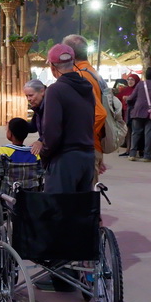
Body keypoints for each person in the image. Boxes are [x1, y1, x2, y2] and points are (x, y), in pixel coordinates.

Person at [40, 43, 97, 194]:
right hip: (87, 157)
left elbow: (52, 130)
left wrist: (44, 155)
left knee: (58, 206)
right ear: (73, 63)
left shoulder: (55, 90)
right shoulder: (87, 87)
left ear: (52, 67)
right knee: (81, 206)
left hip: (65, 158)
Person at [62, 34, 110, 174]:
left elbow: (100, 114)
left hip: (86, 147)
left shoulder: (81, 76)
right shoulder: (91, 72)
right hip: (91, 145)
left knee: (83, 188)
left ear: (69, 54)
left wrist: (78, 138)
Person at [116, 73, 140, 157]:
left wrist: (129, 98)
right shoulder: (125, 89)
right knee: (128, 131)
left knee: (135, 132)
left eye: (132, 79)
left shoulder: (138, 89)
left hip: (135, 113)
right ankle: (128, 149)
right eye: (128, 79)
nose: (130, 81)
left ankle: (135, 150)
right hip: (126, 113)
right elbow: (117, 98)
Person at [21, 78, 47, 157]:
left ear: (42, 91)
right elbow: (33, 127)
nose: (28, 99)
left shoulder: (51, 106)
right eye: (26, 96)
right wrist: (16, 124)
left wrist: (41, 141)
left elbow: (55, 129)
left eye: (31, 95)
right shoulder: (38, 107)